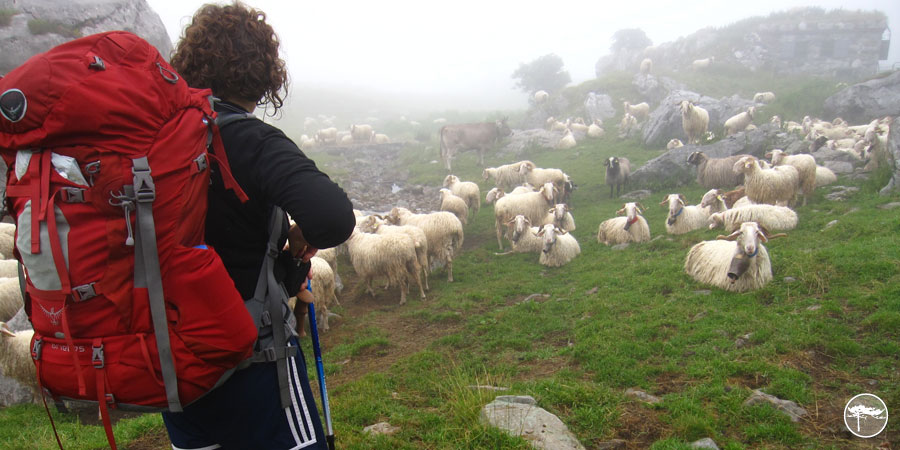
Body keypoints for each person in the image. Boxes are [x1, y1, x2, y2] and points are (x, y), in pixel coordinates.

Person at [165, 2, 356, 449]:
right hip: (253, 364)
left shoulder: (158, 144)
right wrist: (302, 234)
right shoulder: (247, 139)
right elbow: (333, 216)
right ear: (262, 72)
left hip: (174, 368)